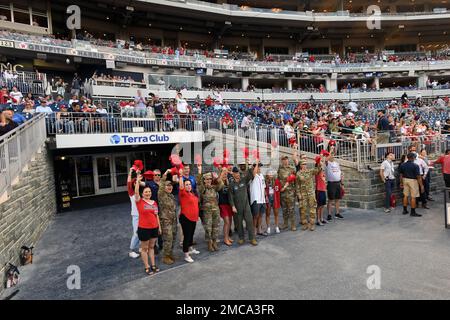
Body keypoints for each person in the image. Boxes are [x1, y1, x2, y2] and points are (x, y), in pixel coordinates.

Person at [134, 173, 161, 275]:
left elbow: (156, 215)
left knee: (151, 247)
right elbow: (136, 192)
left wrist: (159, 227)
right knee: (144, 248)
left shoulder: (154, 202)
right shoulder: (139, 202)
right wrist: (137, 181)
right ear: (142, 194)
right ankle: (147, 266)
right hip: (144, 228)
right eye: (146, 192)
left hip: (154, 228)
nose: (148, 193)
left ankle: (153, 264)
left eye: (149, 192)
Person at [197, 165, 226, 251]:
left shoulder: (214, 188)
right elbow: (199, 182)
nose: (209, 180)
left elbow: (221, 184)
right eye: (207, 179)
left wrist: (220, 172)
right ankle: (209, 243)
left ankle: (214, 242)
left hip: (215, 211)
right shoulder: (202, 188)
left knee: (216, 227)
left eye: (210, 179)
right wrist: (199, 171)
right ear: (204, 180)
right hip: (207, 212)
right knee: (208, 228)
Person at [228, 165, 258, 246]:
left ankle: (252, 238)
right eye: (235, 173)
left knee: (249, 221)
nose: (237, 174)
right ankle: (241, 238)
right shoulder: (231, 185)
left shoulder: (243, 180)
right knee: (239, 223)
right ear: (233, 174)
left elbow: (250, 174)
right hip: (237, 207)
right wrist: (233, 206)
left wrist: (250, 166)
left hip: (246, 205)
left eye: (238, 173)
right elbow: (230, 197)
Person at [178, 168, 201, 263]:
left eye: (189, 184)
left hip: (193, 218)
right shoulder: (183, 193)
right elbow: (180, 186)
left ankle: (191, 248)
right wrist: (180, 176)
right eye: (186, 185)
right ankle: (186, 255)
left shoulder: (192, 194)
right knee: (187, 236)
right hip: (185, 218)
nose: (188, 186)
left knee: (191, 234)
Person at [296, 159, 321, 231]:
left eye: (305, 164)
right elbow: (297, 185)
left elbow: (317, 170)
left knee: (312, 209)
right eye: (303, 164)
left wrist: (318, 163)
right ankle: (305, 224)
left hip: (310, 193)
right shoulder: (298, 174)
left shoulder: (310, 171)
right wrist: (299, 194)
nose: (305, 165)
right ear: (300, 165)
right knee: (303, 209)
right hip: (303, 194)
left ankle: (312, 224)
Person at [158, 169, 177, 265]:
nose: (169, 187)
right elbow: (161, 184)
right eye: (167, 186)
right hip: (166, 222)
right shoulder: (162, 195)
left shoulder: (172, 196)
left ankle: (170, 254)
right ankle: (165, 256)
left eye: (171, 186)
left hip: (173, 221)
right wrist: (165, 174)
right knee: (168, 238)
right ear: (164, 187)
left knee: (173, 237)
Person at [399, 153, 424, 217]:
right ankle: (413, 212)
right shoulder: (415, 165)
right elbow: (418, 176)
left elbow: (401, 175)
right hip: (413, 181)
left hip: (405, 180)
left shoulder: (403, 165)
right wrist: (421, 185)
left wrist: (401, 183)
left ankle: (404, 210)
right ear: (413, 158)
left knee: (405, 195)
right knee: (413, 197)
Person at [126, 168, 144, 259]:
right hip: (136, 215)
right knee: (136, 233)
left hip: (143, 215)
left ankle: (141, 248)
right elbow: (129, 183)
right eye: (135, 182)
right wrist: (130, 172)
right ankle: (131, 250)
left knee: (143, 232)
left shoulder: (142, 192)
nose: (136, 183)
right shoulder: (132, 193)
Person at [277, 155, 297, 230]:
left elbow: (295, 180)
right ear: (281, 160)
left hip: (290, 192)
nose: (285, 161)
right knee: (284, 209)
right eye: (283, 159)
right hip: (282, 192)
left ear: (288, 160)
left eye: (286, 159)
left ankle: (293, 224)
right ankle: (285, 224)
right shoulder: (280, 169)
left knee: (291, 209)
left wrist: (295, 191)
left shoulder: (292, 168)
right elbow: (278, 179)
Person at [325, 149, 344, 221]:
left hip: (337, 183)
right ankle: (329, 214)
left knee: (337, 199)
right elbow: (326, 160)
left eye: (333, 155)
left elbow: (340, 173)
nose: (332, 156)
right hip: (331, 183)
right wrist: (330, 151)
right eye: (331, 155)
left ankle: (337, 213)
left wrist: (342, 183)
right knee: (330, 199)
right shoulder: (327, 163)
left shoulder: (337, 163)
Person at [218, 166, 234, 246]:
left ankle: (227, 236)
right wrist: (221, 176)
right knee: (227, 222)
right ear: (220, 172)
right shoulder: (218, 181)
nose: (225, 173)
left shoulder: (227, 181)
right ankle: (225, 238)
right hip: (222, 204)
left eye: (226, 171)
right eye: (223, 171)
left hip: (229, 204)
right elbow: (218, 187)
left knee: (230, 222)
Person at [315, 157, 327, 226]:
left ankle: (321, 218)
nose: (322, 162)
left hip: (323, 189)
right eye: (321, 161)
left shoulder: (322, 170)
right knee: (319, 206)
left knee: (322, 205)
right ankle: (318, 220)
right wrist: (320, 159)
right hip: (319, 190)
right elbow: (319, 164)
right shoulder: (317, 169)